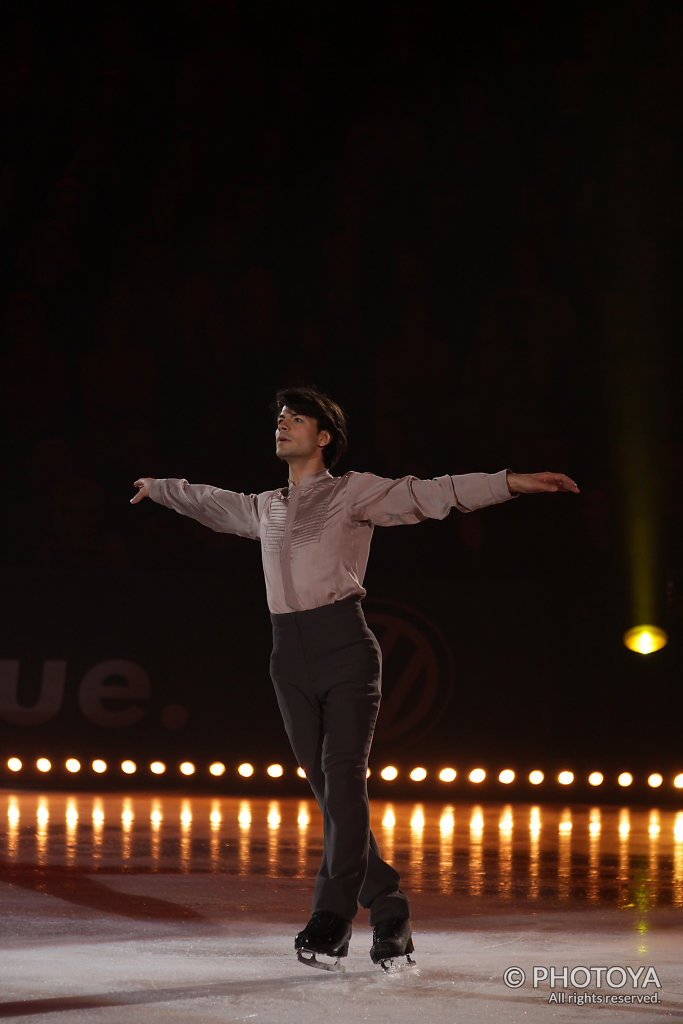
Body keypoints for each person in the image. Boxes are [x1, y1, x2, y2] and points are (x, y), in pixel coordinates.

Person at [131, 386, 579, 970]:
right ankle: (390, 909)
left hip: (345, 650)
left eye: (297, 418)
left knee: (343, 781)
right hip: (287, 657)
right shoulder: (265, 506)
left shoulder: (352, 493)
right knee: (331, 794)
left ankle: (332, 918)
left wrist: (511, 482)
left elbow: (428, 495)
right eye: (279, 417)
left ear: (324, 437)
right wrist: (160, 488)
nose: (283, 424)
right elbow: (213, 503)